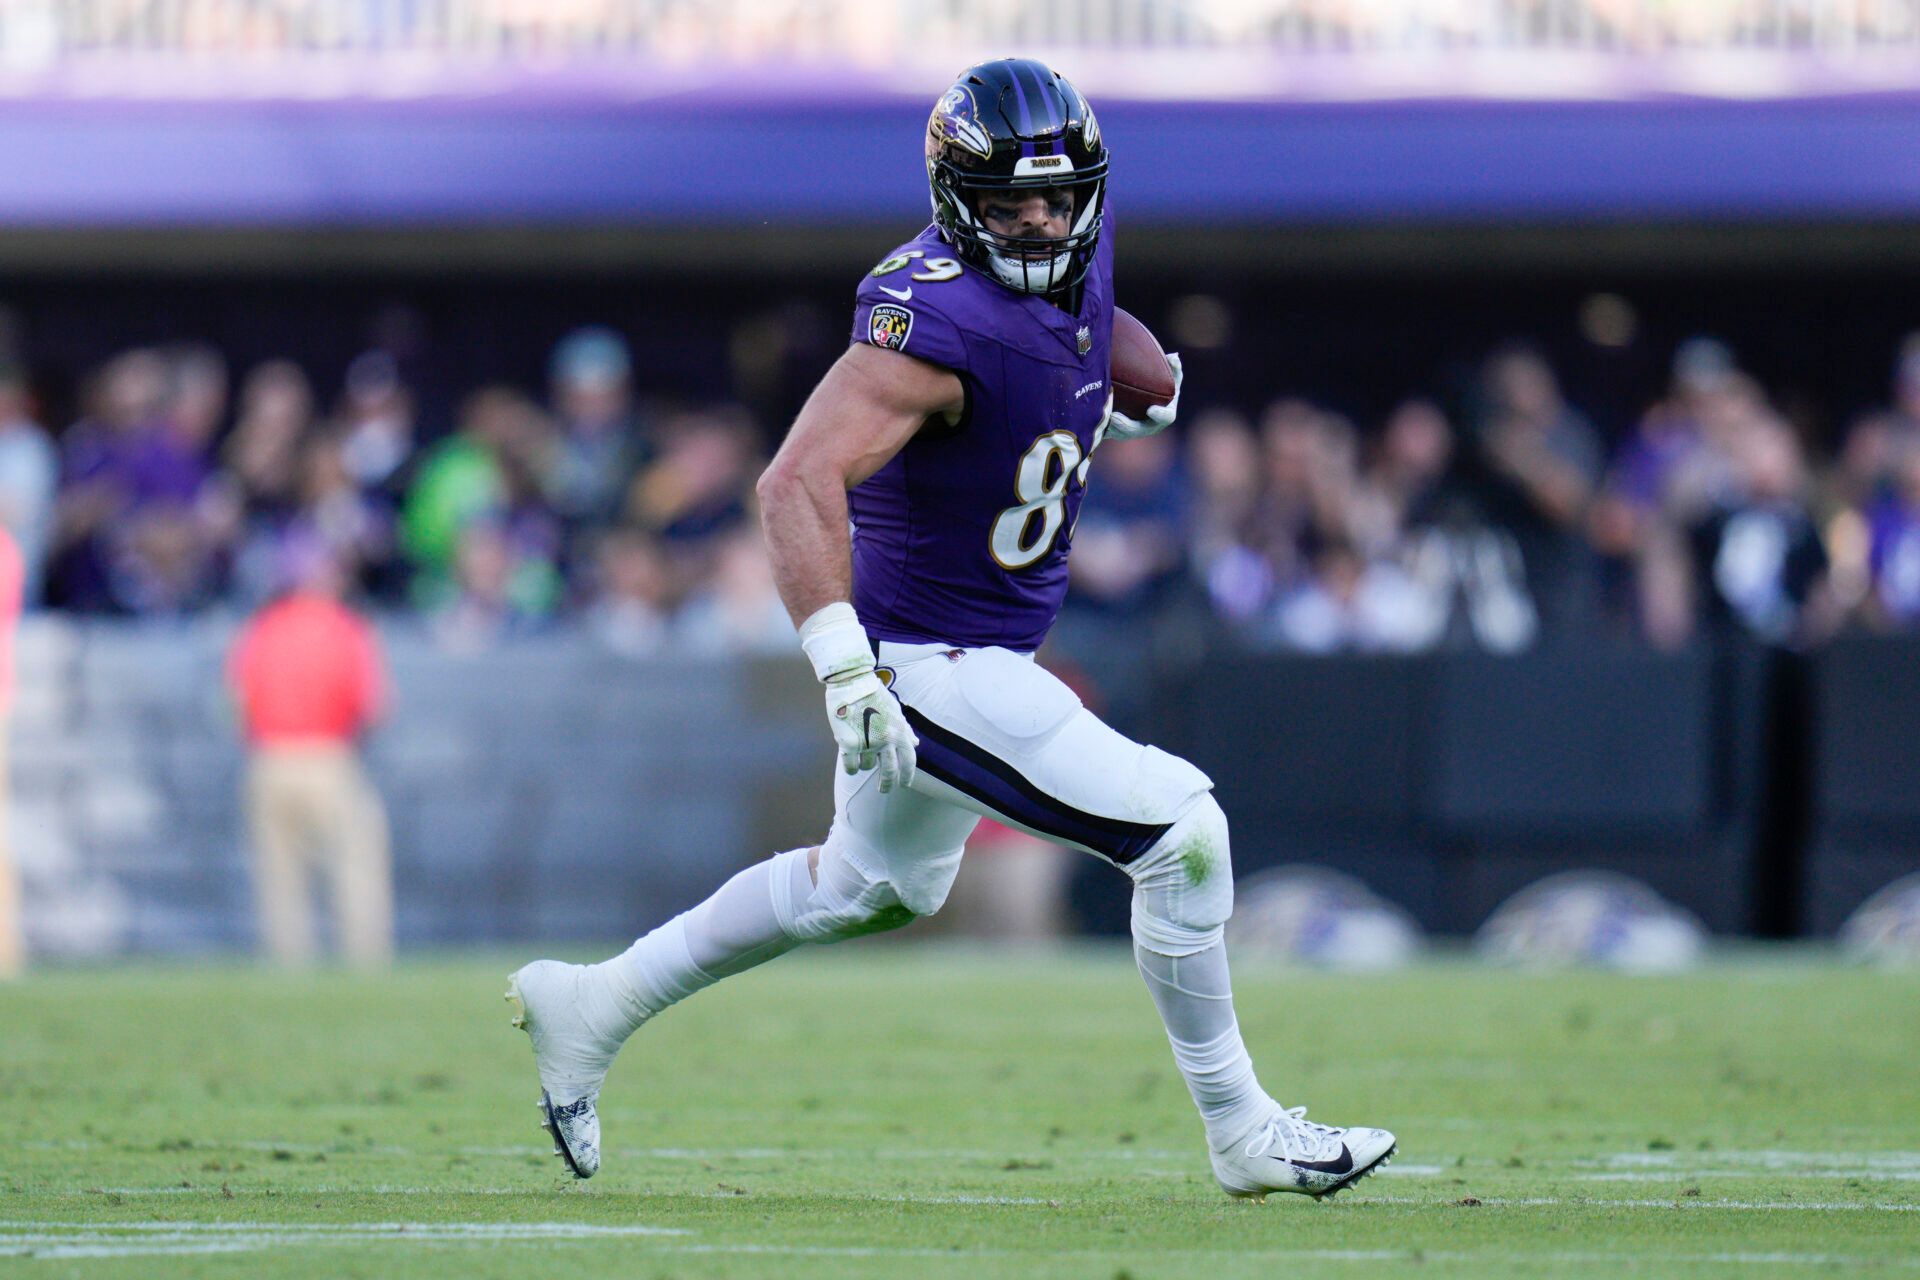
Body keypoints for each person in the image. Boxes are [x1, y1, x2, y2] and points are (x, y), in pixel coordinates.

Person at [506, 57, 1395, 1201]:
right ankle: (1242, 1125)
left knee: (867, 888)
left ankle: (592, 1004)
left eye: (1057, 199)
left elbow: (1080, 326)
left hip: (983, 646)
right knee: (1185, 833)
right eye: (1010, 203)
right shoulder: (930, 327)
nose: (1038, 221)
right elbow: (793, 484)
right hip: (924, 663)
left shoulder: (1072, 245)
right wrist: (842, 671)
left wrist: (1118, 385)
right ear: (953, 198)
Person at [228, 547, 393, 967]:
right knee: (354, 869)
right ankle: (364, 961)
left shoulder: (263, 628)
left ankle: (289, 964)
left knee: (279, 878)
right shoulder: (347, 628)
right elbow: (375, 707)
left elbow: (237, 702)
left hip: (269, 758)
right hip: (329, 756)